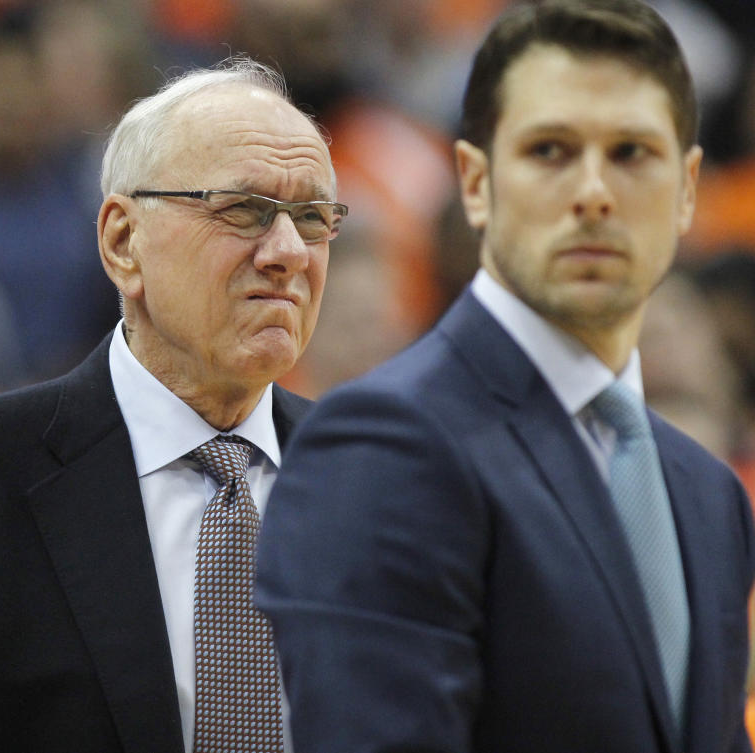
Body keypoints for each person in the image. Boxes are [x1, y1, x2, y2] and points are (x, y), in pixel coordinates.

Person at [0, 56, 346, 752]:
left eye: (313, 216)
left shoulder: (387, 481)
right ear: (123, 241)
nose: (289, 251)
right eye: (245, 209)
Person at [255, 2, 754, 753]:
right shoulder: (385, 446)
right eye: (551, 150)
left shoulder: (708, 494)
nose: (595, 191)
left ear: (687, 190)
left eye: (631, 152)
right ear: (477, 183)